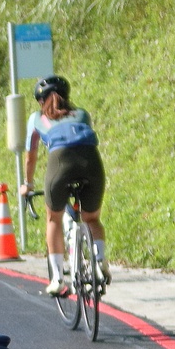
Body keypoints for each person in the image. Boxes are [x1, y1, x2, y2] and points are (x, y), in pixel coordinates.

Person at [21, 75, 107, 295]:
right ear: (67, 96)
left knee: (54, 219)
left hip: (60, 165)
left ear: (41, 101)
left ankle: (58, 278)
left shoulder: (36, 119)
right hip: (92, 163)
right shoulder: (82, 114)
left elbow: (30, 157)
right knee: (92, 219)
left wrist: (27, 184)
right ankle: (99, 262)